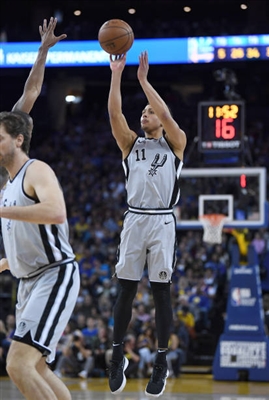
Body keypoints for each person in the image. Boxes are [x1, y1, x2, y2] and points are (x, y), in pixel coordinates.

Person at [0, 18, 80, 400]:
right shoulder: (7, 182)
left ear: (17, 139)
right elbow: (19, 240)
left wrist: (43, 52)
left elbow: (30, 92)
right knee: (36, 366)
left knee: (17, 364)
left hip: (53, 273)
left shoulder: (30, 168)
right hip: (28, 279)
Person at [107, 51, 186, 397]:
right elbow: (114, 114)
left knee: (160, 292)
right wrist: (116, 74)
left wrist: (142, 80)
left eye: (149, 111)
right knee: (125, 288)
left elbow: (166, 114)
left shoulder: (175, 143)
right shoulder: (130, 144)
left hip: (162, 222)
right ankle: (116, 354)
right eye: (143, 111)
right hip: (135, 218)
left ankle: (161, 361)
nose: (145, 114)